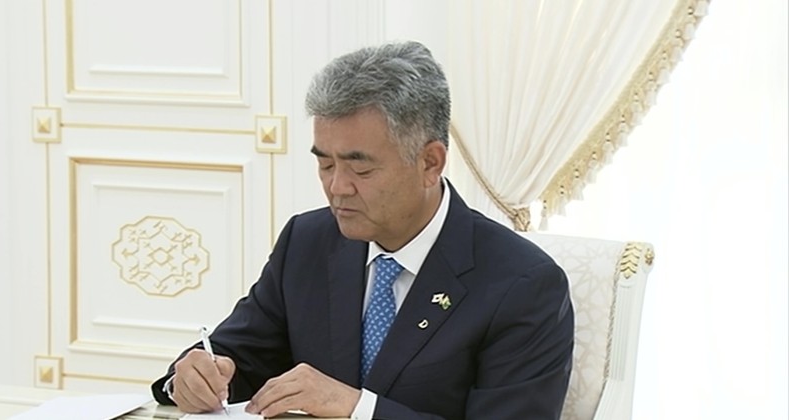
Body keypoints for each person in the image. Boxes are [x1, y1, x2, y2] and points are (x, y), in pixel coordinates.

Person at [151, 40, 574, 420]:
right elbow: (237, 357)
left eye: (361, 168)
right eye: (325, 163)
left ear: (430, 163)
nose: (337, 187)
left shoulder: (523, 284)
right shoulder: (307, 241)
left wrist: (359, 408)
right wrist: (192, 377)